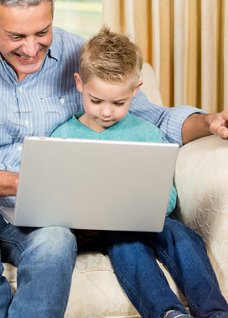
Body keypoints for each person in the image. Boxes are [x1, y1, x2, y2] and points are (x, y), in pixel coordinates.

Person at [0, 0, 228, 317]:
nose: (31, 50)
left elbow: (154, 118)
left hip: (37, 215)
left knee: (56, 241)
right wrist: (29, 183)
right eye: (16, 36)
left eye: (42, 32)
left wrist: (209, 124)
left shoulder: (76, 54)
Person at [50, 26, 228, 318]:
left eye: (119, 103)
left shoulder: (146, 133)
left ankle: (215, 312)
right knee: (126, 246)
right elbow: (56, 197)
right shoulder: (62, 135)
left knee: (182, 236)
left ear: (136, 90)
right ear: (79, 83)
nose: (106, 112)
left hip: (149, 220)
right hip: (102, 232)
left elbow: (168, 196)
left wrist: (151, 206)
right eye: (96, 101)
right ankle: (168, 313)